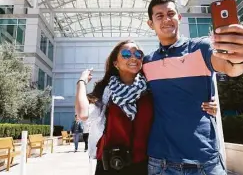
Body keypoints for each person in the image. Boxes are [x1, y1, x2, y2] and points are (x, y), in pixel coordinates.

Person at [143, 0, 243, 175]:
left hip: (205, 162)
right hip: (161, 164)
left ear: (179, 18)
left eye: (171, 13)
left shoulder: (200, 47)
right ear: (151, 23)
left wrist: (240, 57)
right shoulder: (147, 62)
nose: (166, 19)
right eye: (159, 16)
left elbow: (230, 67)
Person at [75, 40, 218, 175]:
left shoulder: (150, 89)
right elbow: (83, 114)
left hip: (144, 165)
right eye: (126, 54)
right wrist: (81, 81)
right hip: (111, 165)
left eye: (138, 54)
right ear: (115, 63)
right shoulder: (106, 93)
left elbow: (176, 104)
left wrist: (205, 105)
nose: (133, 58)